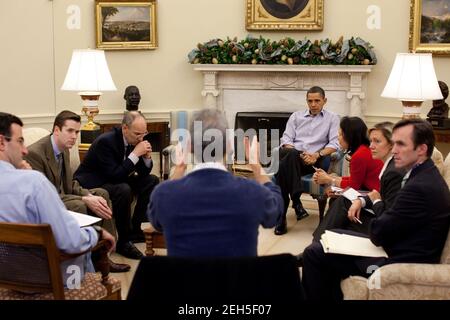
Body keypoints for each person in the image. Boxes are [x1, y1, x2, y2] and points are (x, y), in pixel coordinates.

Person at [302, 119, 450, 300]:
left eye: (401, 144)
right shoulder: (425, 175)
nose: (394, 150)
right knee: (330, 238)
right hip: (397, 246)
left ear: (421, 149)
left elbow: (378, 232)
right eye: (394, 143)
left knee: (314, 254)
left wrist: (376, 202)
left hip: (396, 259)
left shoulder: (418, 186)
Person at [147, 109, 283, 257]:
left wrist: (180, 168)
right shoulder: (252, 192)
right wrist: (257, 167)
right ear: (230, 146)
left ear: (190, 146)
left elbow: (156, 221)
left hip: (186, 280)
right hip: (237, 280)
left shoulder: (164, 194)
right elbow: (276, 214)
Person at [0, 112, 115, 286]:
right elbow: (70, 241)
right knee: (81, 256)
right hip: (48, 279)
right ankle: (93, 281)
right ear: (2, 142)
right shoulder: (33, 182)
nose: (24, 150)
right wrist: (97, 234)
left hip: (6, 277)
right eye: (20, 141)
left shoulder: (30, 178)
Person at [25, 110, 130, 273]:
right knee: (79, 206)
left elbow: (69, 184)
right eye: (70, 131)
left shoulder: (64, 148)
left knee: (101, 194)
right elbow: (44, 195)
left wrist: (88, 195)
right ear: (57, 130)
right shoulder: (35, 153)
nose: (74, 136)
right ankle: (89, 258)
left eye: (77, 132)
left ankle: (103, 254)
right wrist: (84, 200)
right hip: (48, 202)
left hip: (63, 195)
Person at [75, 111, 159, 260]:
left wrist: (146, 158)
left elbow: (143, 173)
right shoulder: (106, 141)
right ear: (125, 128)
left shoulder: (133, 141)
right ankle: (124, 241)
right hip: (95, 183)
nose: (141, 138)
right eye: (137, 134)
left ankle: (135, 231)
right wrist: (135, 154)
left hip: (116, 179)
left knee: (151, 181)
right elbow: (114, 175)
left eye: (144, 134)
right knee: (123, 189)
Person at [311, 122, 405, 240]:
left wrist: (330, 180)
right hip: (370, 198)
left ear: (391, 144)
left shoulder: (393, 171)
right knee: (341, 208)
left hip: (387, 230)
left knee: (343, 205)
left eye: (377, 141)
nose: (371, 146)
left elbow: (385, 209)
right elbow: (359, 183)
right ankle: (321, 243)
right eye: (371, 141)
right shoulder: (388, 164)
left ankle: (318, 243)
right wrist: (361, 200)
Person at [274, 86, 340, 235]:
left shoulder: (332, 118)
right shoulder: (296, 116)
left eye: (317, 101)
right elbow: (286, 139)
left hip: (315, 161)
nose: (313, 104)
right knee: (288, 155)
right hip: (296, 157)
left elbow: (334, 144)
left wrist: (316, 155)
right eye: (310, 101)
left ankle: (282, 218)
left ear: (325, 100)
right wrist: (298, 153)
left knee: (283, 167)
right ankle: (295, 202)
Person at [313, 116, 384, 193]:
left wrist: (328, 180)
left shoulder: (359, 155)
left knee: (337, 200)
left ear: (349, 136)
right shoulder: (364, 149)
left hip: (376, 194)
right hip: (372, 190)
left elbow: (353, 186)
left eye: (340, 134)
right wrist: (328, 177)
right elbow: (355, 179)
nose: (338, 138)